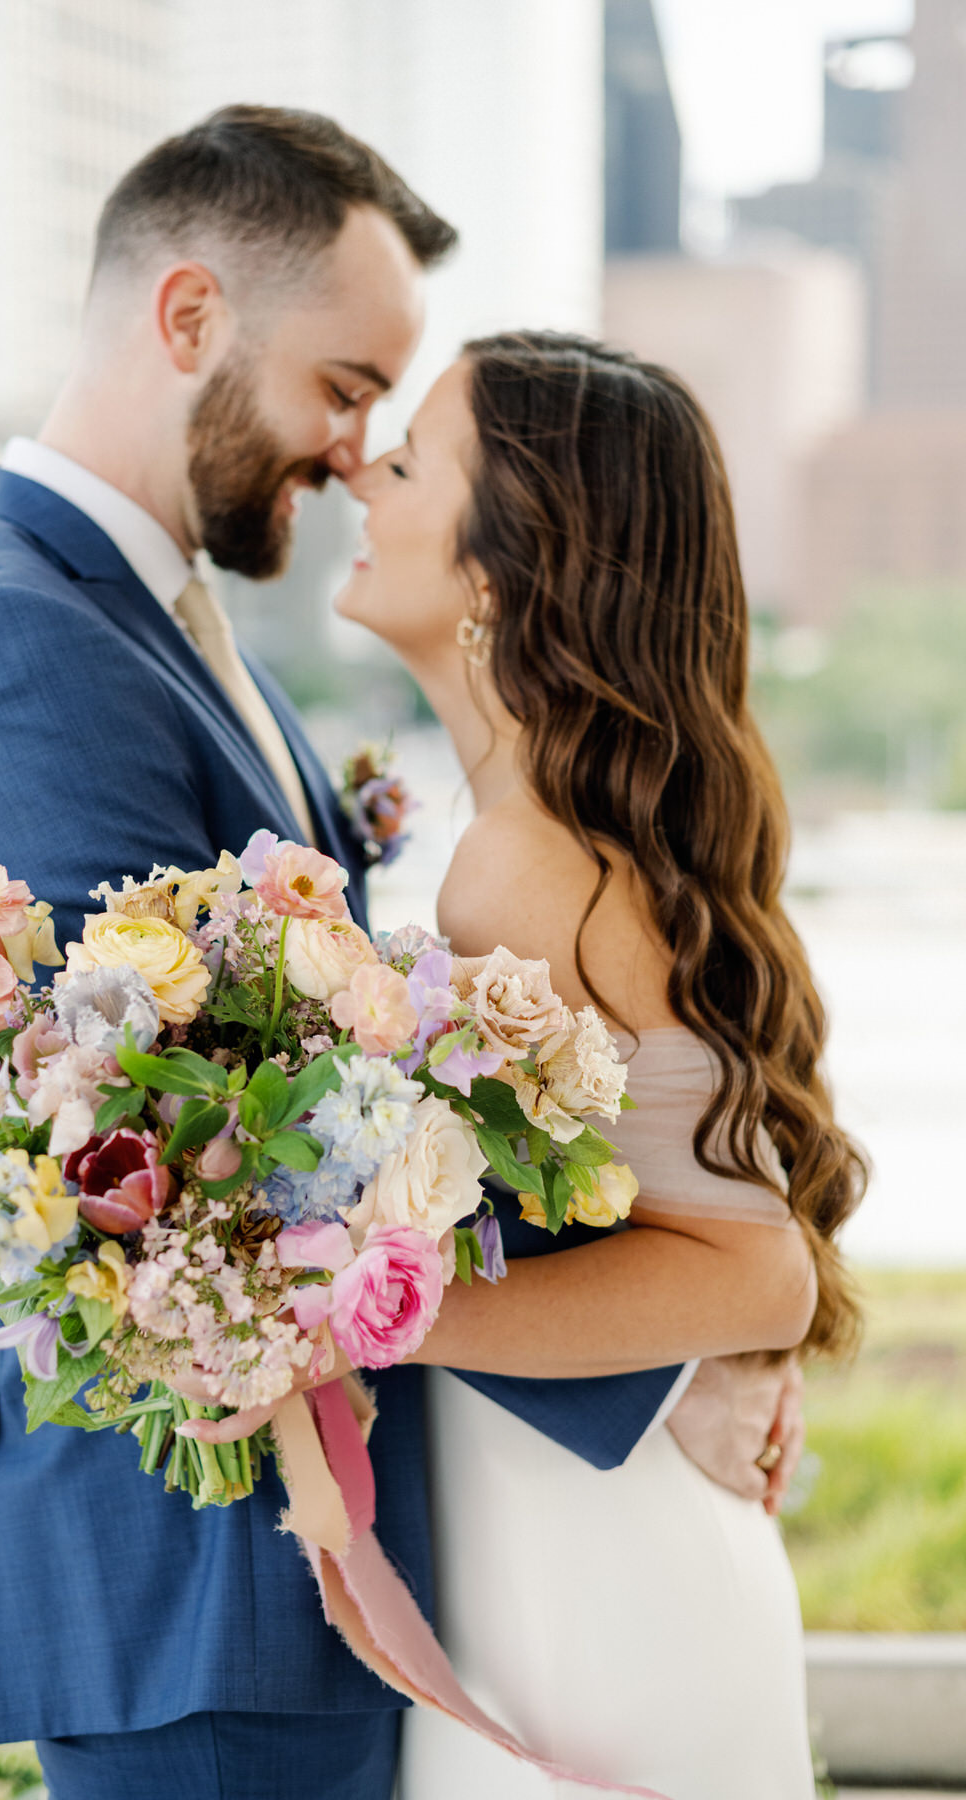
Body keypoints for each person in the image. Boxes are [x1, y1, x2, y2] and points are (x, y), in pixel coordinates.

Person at [0, 108, 805, 1800]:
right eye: (348, 386)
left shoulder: (181, 629)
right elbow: (171, 1155)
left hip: (347, 1552)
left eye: (392, 426)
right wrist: (655, 1380)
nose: (355, 452)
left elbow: (391, 1130)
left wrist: (681, 1356)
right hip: (199, 1570)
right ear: (192, 319)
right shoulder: (8, 644)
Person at [331, 331, 865, 1799]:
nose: (360, 477)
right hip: (577, 1548)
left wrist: (351, 1318)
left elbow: (758, 1276)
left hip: (592, 1587)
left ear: (504, 564)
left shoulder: (528, 865)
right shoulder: (557, 842)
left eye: (410, 460)